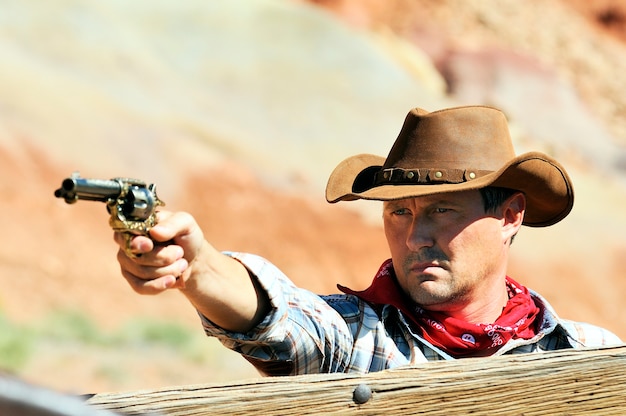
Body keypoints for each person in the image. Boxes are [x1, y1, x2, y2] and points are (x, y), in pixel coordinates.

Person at [115, 105, 622, 376]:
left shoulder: (591, 354)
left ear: (510, 216)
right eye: (399, 211)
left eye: (442, 210)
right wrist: (197, 266)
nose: (414, 236)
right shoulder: (353, 339)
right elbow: (277, 316)